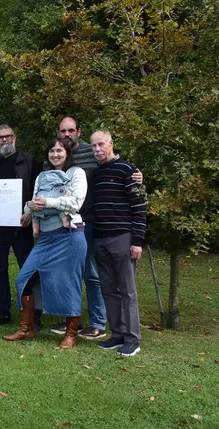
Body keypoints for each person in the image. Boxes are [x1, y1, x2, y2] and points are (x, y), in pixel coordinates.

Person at [51, 117, 144, 340]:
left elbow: (134, 195)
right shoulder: (58, 156)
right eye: (63, 131)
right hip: (74, 226)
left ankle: (102, 325)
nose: (67, 134)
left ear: (78, 132)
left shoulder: (107, 161)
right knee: (80, 276)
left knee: (101, 279)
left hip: (101, 226)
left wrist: (137, 176)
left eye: (71, 130)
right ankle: (80, 321)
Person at [3, 138, 87, 348]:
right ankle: (27, 329)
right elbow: (33, 201)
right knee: (23, 278)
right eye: (51, 150)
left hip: (69, 236)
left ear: (67, 153)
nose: (55, 154)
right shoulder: (42, 176)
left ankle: (71, 333)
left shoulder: (76, 173)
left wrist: (48, 203)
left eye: (59, 150)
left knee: (69, 283)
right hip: (45, 239)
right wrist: (28, 210)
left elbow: (76, 202)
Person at [0, 124, 42, 326]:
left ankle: (33, 313)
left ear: (14, 137)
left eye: (7, 137)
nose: (4, 140)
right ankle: (2, 313)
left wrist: (30, 213)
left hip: (21, 225)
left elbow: (36, 191)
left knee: (28, 268)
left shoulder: (29, 161)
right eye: (0, 138)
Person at [91, 130, 147, 357]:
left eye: (101, 144)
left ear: (111, 143)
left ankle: (133, 339)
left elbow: (139, 207)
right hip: (100, 237)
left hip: (122, 237)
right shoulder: (96, 174)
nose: (97, 149)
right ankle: (117, 334)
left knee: (127, 291)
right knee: (108, 290)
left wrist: (137, 241)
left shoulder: (128, 170)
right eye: (93, 146)